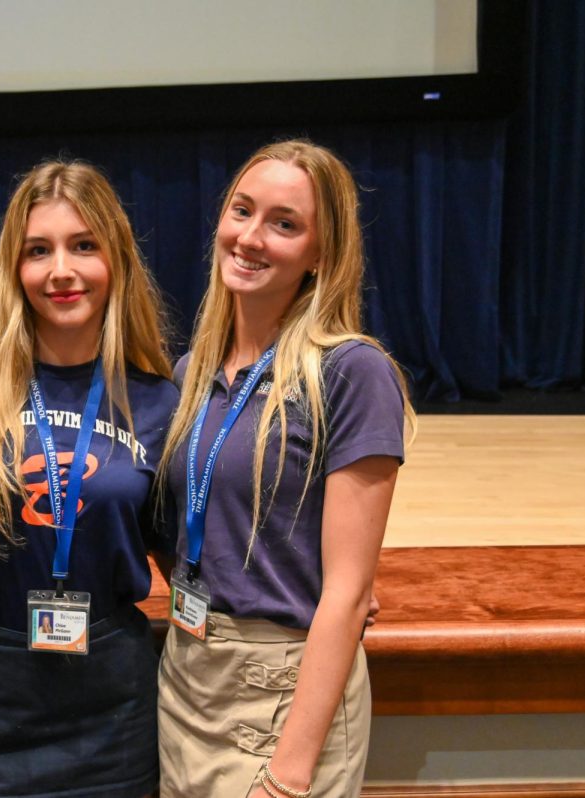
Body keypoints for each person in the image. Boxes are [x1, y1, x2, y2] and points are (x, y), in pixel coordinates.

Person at [156, 140, 416, 798]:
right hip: (188, 672)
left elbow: (349, 594)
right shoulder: (193, 374)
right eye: (242, 210)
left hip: (283, 694)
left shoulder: (352, 372)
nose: (250, 237)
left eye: (284, 224)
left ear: (322, 253)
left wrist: (291, 771)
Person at [0, 159, 179, 798]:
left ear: (116, 260)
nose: (61, 270)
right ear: (15, 268)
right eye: (39, 250)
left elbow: (186, 549)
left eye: (83, 246)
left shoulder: (160, 400)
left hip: (112, 694)